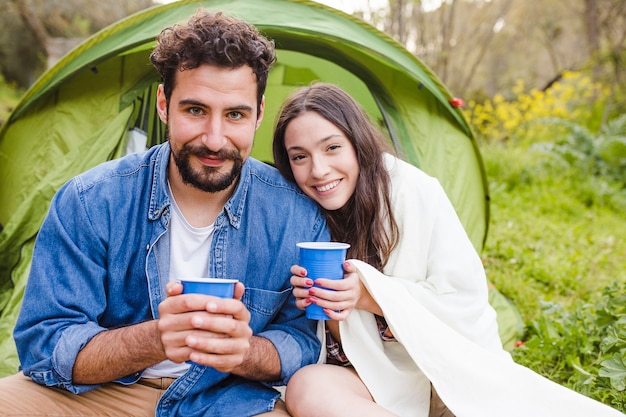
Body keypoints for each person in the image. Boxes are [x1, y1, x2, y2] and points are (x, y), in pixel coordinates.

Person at [0, 10, 330, 417]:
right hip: (100, 393)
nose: (214, 138)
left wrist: (243, 352)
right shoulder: (89, 200)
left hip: (228, 400)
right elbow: (45, 343)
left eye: (235, 115)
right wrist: (156, 338)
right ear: (163, 104)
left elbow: (302, 341)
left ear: (259, 114)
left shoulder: (296, 215)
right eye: (195, 110)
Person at [271, 82, 625, 417]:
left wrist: (369, 294)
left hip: (436, 370)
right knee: (307, 388)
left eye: (332, 147)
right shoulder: (292, 212)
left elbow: (462, 303)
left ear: (358, 142)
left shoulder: (412, 192)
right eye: (300, 157)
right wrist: (325, 309)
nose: (319, 170)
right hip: (367, 380)